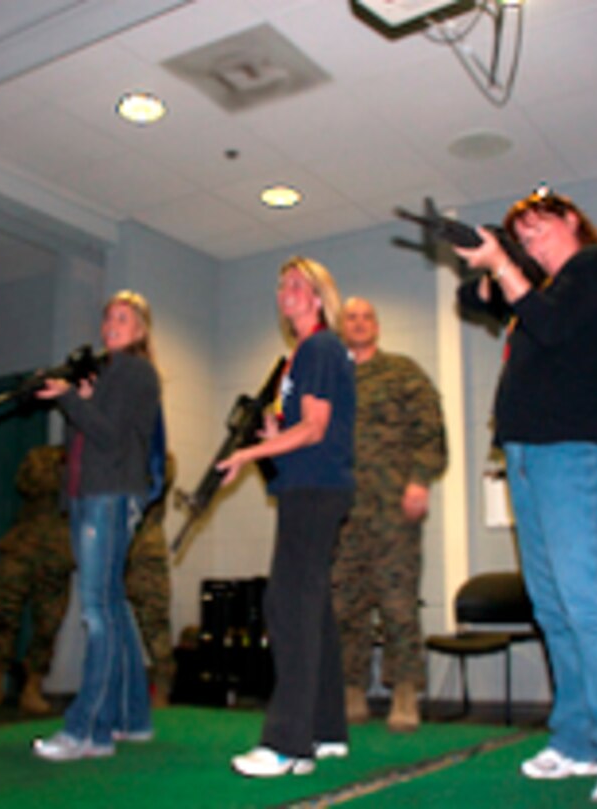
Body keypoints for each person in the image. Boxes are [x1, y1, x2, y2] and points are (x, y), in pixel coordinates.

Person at [454, 188, 597, 806]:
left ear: (571, 220)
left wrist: (508, 268)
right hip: (527, 455)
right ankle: (574, 742)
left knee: (586, 603)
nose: (531, 241)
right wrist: (487, 264)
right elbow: (474, 300)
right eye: (522, 235)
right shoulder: (533, 291)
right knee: (554, 608)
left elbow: (557, 328)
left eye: (538, 228)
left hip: (575, 452)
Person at [217, 256, 355, 778]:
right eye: (282, 285)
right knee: (311, 608)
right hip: (311, 488)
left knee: (289, 606)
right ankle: (326, 731)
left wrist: (247, 456)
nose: (286, 292)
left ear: (319, 297)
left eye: (298, 285)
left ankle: (287, 744)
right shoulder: (302, 356)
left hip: (316, 492)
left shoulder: (318, 346)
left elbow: (316, 429)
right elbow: (306, 430)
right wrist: (273, 441)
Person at [32, 290, 162, 762]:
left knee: (96, 612)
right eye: (107, 317)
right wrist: (79, 398)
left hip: (108, 497)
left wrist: (70, 398)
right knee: (111, 606)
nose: (111, 325)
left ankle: (89, 731)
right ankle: (133, 717)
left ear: (141, 329)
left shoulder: (133, 370)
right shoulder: (109, 375)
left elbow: (108, 435)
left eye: (123, 318)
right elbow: (93, 435)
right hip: (91, 497)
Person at [334, 297, 447, 732]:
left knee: (398, 604)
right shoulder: (333, 381)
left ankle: (404, 691)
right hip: (343, 512)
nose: (359, 323)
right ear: (342, 326)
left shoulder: (403, 372)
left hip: (393, 509)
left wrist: (420, 479)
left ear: (376, 326)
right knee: (345, 605)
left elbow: (431, 429)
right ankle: (351, 689)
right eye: (351, 317)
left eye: (367, 317)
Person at [0, 444, 73, 716]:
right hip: (23, 547)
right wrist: (60, 466)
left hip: (58, 553)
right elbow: (26, 484)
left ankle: (33, 686)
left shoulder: (91, 459)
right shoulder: (42, 456)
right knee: (5, 615)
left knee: (48, 623)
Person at [125, 450, 177, 708]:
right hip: (114, 545)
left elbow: (155, 481)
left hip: (146, 551)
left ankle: (162, 688)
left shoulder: (159, 456)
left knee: (155, 623)